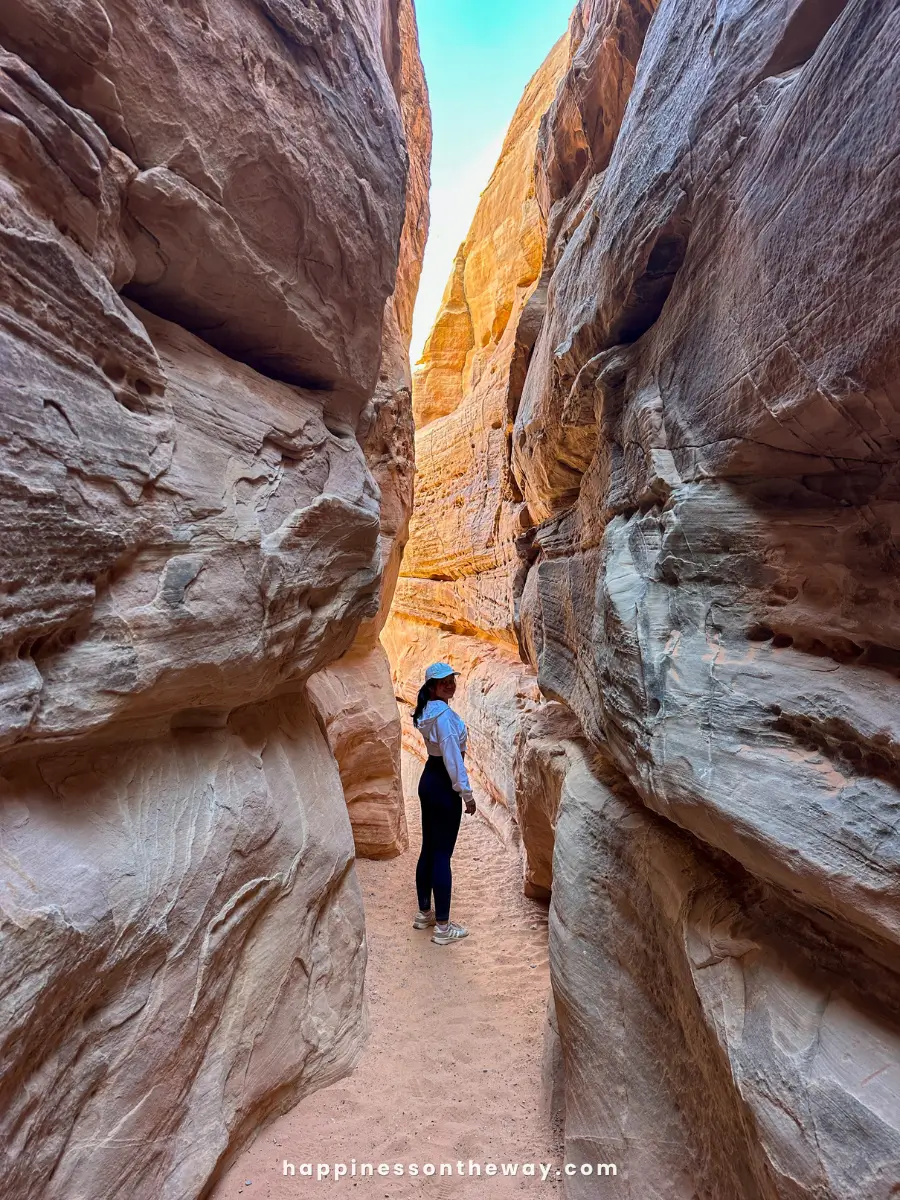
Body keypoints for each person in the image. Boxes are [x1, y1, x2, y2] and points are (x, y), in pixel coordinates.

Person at [411, 662, 476, 945]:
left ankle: (424, 913)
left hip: (429, 779)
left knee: (429, 848)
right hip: (443, 784)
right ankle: (443, 927)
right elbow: (453, 759)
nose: (450, 684)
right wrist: (467, 794)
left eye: (451, 679)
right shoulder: (445, 717)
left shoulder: (427, 710)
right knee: (441, 855)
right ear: (432, 687)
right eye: (443, 682)